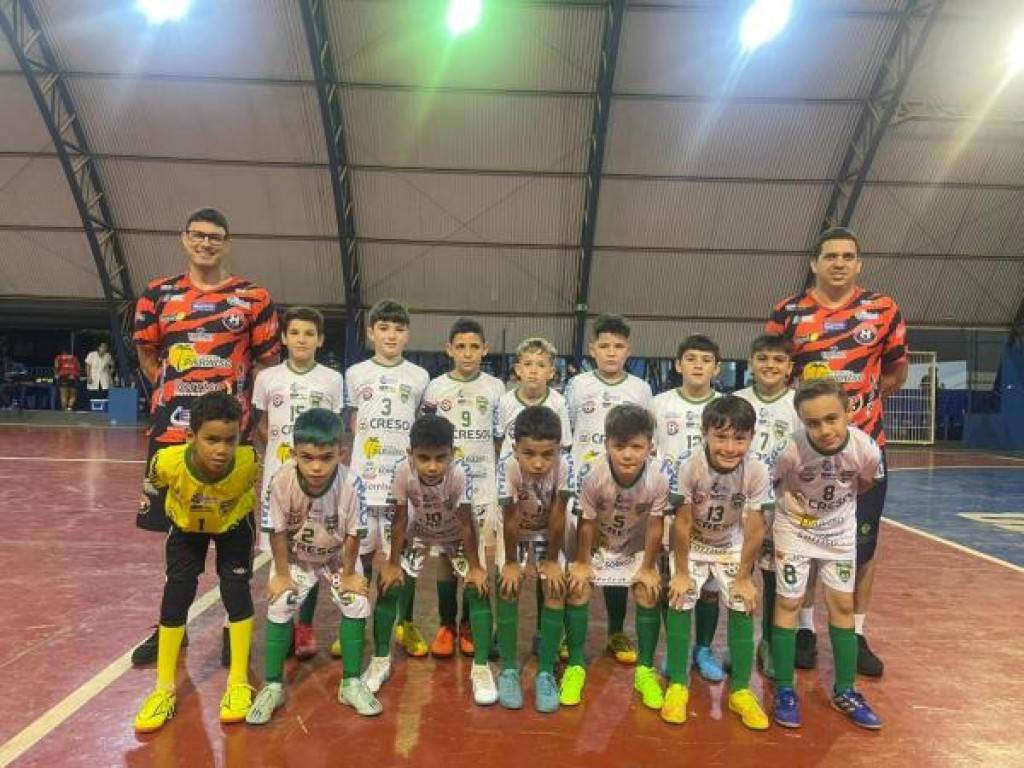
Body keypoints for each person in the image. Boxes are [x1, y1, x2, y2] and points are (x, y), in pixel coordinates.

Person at [131, 207, 280, 667]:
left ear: (227, 243)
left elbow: (268, 365)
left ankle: (234, 628)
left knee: (233, 529)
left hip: (230, 438)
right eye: (198, 235)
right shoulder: (157, 294)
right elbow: (147, 355)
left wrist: (246, 417)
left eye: (215, 236)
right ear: (184, 239)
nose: (206, 243)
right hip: (173, 434)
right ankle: (170, 626)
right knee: (176, 533)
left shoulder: (253, 298)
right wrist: (173, 394)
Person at [766, 226, 908, 676]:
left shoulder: (883, 309)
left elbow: (896, 372)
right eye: (831, 256)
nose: (839, 263)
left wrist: (858, 411)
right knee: (803, 538)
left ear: (858, 263)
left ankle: (857, 633)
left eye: (848, 256)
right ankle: (804, 629)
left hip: (865, 448)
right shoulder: (788, 312)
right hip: (806, 453)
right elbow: (775, 369)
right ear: (815, 263)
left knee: (862, 547)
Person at [133, 392, 259, 733]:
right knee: (178, 593)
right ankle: (163, 689)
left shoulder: (248, 462)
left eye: (230, 440)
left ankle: (238, 681)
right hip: (186, 526)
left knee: (235, 589)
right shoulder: (166, 462)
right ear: (191, 436)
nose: (222, 449)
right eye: (211, 439)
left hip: (232, 524)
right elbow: (154, 487)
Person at [246, 409, 379, 724]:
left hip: (336, 556)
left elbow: (353, 534)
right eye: (307, 458)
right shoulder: (281, 480)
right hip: (297, 556)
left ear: (341, 453)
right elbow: (277, 531)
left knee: (356, 601)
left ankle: (351, 683)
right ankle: (273, 686)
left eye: (326, 458)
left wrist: (349, 575)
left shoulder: (352, 484)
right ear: (293, 453)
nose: (316, 467)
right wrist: (281, 575)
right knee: (281, 601)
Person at [770, 378, 884, 730]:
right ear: (802, 422)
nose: (825, 430)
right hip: (795, 529)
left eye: (832, 418)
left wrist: (833, 513)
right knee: (788, 602)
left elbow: (866, 482)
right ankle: (785, 689)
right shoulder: (790, 450)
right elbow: (771, 483)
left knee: (843, 605)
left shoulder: (866, 449)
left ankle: (845, 690)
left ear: (848, 411)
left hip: (838, 532)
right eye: (813, 423)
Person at [368, 415, 497, 705]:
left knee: (478, 587)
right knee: (389, 584)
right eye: (423, 458)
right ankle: (379, 659)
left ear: (453, 453)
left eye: (441, 458)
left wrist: (476, 568)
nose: (432, 466)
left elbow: (466, 523)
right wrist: (392, 564)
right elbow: (400, 519)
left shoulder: (460, 473)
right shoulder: (402, 470)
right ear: (410, 454)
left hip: (455, 533)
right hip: (420, 531)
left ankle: (481, 668)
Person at [664, 396, 771, 729]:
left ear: (751, 438)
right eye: (721, 437)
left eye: (739, 438)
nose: (730, 447)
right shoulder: (689, 464)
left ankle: (740, 690)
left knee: (742, 601)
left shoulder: (757, 468)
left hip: (730, 543)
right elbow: (681, 522)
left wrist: (744, 577)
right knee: (680, 598)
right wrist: (682, 573)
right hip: (693, 542)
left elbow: (756, 528)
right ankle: (677, 684)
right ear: (705, 434)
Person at [560, 405, 670, 709]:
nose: (628, 455)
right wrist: (583, 563)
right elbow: (586, 523)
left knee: (648, 590)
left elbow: (656, 524)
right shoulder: (592, 473)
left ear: (650, 446)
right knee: (578, 586)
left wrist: (648, 567)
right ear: (606, 444)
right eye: (619, 446)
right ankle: (576, 666)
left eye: (636, 447)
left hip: (634, 543)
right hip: (598, 543)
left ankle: (645, 670)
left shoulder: (660, 475)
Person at [252, 306, 344, 658]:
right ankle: (283, 622)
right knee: (280, 548)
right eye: (294, 333)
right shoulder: (267, 378)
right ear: (283, 338)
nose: (301, 339)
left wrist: (313, 461)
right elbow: (262, 425)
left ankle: (304, 625)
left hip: (318, 479)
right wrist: (283, 457)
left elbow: (333, 430)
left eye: (309, 334)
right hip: (279, 477)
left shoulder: (332, 380)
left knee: (312, 550)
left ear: (320, 340)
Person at [563, 315, 653, 665]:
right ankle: (569, 636)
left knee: (618, 557)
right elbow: (568, 432)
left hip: (624, 490)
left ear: (628, 350)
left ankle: (616, 631)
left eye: (618, 346)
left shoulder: (641, 389)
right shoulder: (577, 385)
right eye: (604, 346)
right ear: (592, 349)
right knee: (577, 562)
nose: (611, 352)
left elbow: (648, 438)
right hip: (584, 488)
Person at [346, 299, 430, 658]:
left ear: (407, 334)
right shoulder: (355, 374)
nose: (391, 335)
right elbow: (353, 422)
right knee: (362, 556)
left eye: (398, 329)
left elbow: (422, 427)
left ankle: (404, 624)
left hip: (403, 485)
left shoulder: (420, 377)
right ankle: (356, 619)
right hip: (364, 483)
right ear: (371, 333)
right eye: (383, 328)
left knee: (405, 559)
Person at [421, 318, 505, 658]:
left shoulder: (496, 388)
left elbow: (500, 439)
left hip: (483, 484)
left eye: (474, 347)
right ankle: (446, 625)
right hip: (446, 485)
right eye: (461, 347)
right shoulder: (435, 388)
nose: (467, 353)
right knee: (445, 553)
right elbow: (427, 437)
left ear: (485, 349)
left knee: (478, 554)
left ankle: (469, 623)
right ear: (449, 349)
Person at [651, 334, 725, 681]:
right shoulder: (659, 404)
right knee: (672, 579)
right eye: (691, 358)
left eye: (706, 360)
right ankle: (675, 646)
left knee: (710, 585)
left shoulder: (726, 405)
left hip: (714, 508)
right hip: (671, 504)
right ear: (678, 365)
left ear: (717, 368)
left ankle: (704, 648)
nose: (698, 365)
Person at [494, 405, 573, 712]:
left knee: (555, 587)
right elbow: (510, 518)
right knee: (508, 586)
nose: (538, 463)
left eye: (547, 454)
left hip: (545, 529)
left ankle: (545, 672)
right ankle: (509, 669)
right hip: (515, 529)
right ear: (515, 448)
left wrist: (552, 561)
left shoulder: (565, 466)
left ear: (559, 449)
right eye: (529, 454)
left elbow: (558, 514)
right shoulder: (507, 467)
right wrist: (511, 563)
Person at [734, 334, 800, 678]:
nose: (769, 365)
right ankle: (739, 645)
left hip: (782, 504)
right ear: (751, 363)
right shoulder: (736, 401)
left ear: (789, 367)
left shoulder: (798, 405)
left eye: (778, 359)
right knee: (737, 573)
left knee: (774, 577)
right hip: (739, 504)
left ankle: (770, 643)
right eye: (762, 358)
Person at [494, 337, 572, 459]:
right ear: (518, 370)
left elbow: (564, 444)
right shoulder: (504, 401)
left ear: (551, 372)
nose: (533, 371)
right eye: (527, 364)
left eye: (541, 365)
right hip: (511, 468)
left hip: (544, 468)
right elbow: (498, 439)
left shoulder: (559, 403)